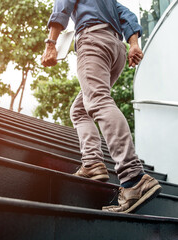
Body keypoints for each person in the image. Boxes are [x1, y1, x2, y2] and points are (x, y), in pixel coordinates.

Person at [41, 0, 161, 213]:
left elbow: (63, 5)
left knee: (98, 101)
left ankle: (134, 179)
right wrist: (133, 44)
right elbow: (127, 15)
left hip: (93, 40)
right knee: (79, 109)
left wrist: (51, 43)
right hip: (117, 49)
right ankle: (92, 163)